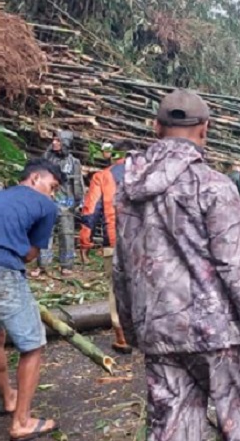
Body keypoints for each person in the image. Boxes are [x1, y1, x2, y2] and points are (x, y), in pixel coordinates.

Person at [113, 88, 240, 441]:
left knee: (172, 428)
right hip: (217, 333)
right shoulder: (214, 186)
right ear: (205, 128)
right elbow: (238, 268)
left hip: (158, 329)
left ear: (156, 127)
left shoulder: (127, 192)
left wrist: (130, 325)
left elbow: (123, 265)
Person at [0, 158, 64, 440]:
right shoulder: (46, 206)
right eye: (52, 186)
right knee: (33, 344)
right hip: (0, 270)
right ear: (36, 179)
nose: (52, 193)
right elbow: (30, 255)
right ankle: (21, 421)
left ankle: (8, 398)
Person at [79, 140, 137, 354]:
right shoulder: (152, 174)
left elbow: (91, 209)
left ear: (114, 155)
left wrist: (85, 240)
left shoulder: (103, 176)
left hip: (114, 242)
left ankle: (122, 337)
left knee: (116, 289)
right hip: (147, 243)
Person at [30, 130, 84, 278]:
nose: (54, 142)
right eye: (53, 140)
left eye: (58, 140)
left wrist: (79, 202)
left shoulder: (74, 163)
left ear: (65, 143)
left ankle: (66, 265)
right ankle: (43, 265)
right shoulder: (46, 159)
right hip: (48, 201)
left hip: (67, 202)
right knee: (45, 233)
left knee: (66, 234)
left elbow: (78, 183)